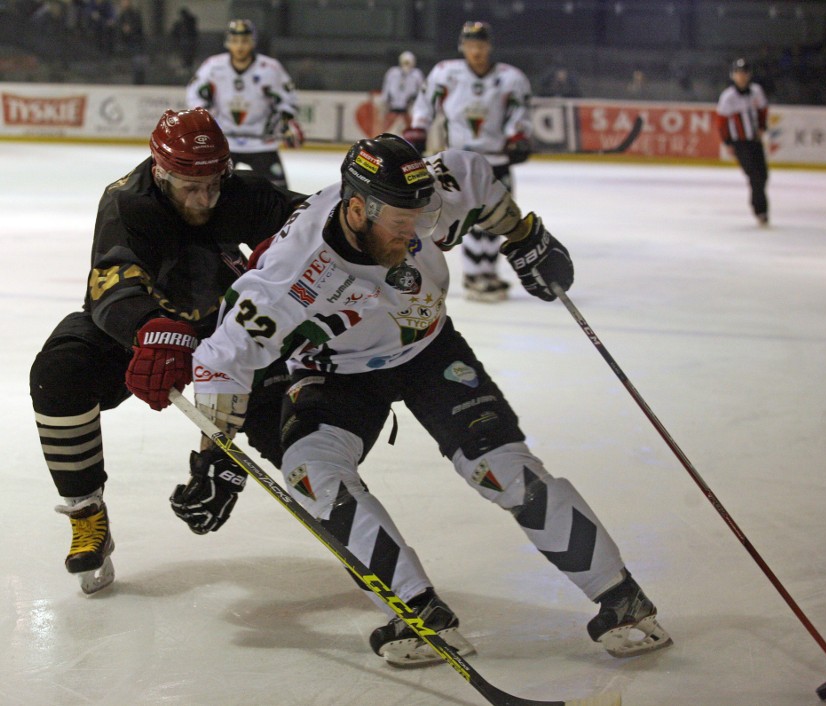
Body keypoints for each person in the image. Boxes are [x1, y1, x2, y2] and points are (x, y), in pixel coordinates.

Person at [127, 133, 673, 667]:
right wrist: (214, 459)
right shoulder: (294, 273)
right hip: (340, 373)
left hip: (430, 349)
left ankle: (623, 601)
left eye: (421, 219)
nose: (414, 235)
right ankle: (419, 613)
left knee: (501, 468)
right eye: (400, 223)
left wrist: (524, 235)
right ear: (357, 210)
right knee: (312, 472)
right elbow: (225, 358)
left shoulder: (418, 198)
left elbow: (475, 174)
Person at [29, 108, 303, 594]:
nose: (204, 199)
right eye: (189, 187)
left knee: (296, 437)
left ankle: (350, 528)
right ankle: (86, 511)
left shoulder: (242, 191)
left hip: (230, 328)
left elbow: (319, 221)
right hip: (151, 328)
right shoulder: (127, 201)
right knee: (60, 370)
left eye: (213, 184)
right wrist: (149, 331)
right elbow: (111, 282)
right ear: (159, 173)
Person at [405, 21, 533, 303]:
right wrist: (419, 127)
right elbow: (425, 102)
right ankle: (475, 276)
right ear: (463, 46)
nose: (476, 51)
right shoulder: (445, 73)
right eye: (471, 45)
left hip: (497, 159)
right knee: (472, 218)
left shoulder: (511, 78)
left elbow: (519, 111)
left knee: (500, 216)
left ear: (489, 46)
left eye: (481, 45)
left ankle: (487, 272)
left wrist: (518, 136)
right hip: (461, 162)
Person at [186, 19, 302, 190]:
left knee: (280, 194)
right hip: (223, 142)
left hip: (262, 143)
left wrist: (287, 123)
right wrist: (203, 120)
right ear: (228, 42)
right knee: (208, 192)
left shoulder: (271, 69)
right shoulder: (213, 66)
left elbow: (287, 99)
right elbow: (194, 94)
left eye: (245, 41)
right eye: (235, 41)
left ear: (253, 42)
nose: (240, 46)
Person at [716, 57, 770, 225]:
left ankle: (759, 207)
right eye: (738, 73)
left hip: (754, 140)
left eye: (744, 73)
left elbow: (762, 110)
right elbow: (721, 122)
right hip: (740, 143)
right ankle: (761, 210)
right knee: (754, 175)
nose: (742, 76)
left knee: (763, 175)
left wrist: (762, 127)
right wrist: (727, 142)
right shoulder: (728, 97)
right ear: (733, 75)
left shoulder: (756, 91)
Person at [379, 50, 424, 136]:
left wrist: (415, 100)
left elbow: (421, 90)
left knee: (411, 122)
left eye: (408, 62)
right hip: (393, 103)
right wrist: (385, 100)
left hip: (409, 104)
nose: (406, 65)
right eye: (405, 62)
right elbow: (386, 87)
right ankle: (382, 136)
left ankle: (411, 137)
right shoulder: (392, 72)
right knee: (387, 122)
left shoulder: (417, 74)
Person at [171, 7, 199, 73]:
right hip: (185, 40)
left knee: (188, 53)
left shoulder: (189, 21)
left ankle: (188, 65)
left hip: (189, 40)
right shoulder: (180, 23)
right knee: (185, 53)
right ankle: (186, 64)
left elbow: (192, 30)